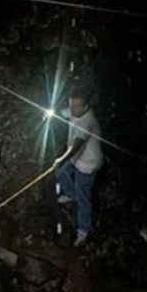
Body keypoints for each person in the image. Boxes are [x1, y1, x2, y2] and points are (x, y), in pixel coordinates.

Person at [55, 91, 104, 247]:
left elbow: (77, 144)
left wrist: (61, 159)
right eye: (71, 106)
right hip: (76, 159)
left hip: (88, 164)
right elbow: (63, 113)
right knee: (61, 173)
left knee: (84, 199)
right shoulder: (75, 111)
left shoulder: (87, 121)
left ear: (86, 106)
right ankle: (71, 194)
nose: (73, 110)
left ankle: (84, 230)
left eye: (76, 107)